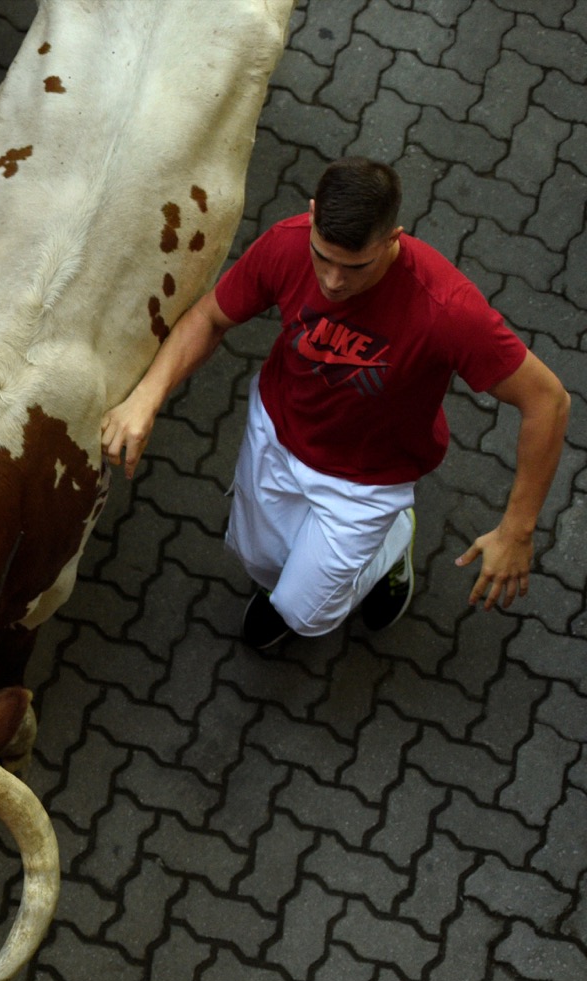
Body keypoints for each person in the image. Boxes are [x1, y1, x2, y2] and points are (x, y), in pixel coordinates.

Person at [101, 157, 570, 650]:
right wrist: (147, 395)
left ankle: (391, 541)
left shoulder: (447, 309)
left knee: (306, 614)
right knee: (256, 558)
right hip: (277, 433)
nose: (332, 281)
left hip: (368, 480)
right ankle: (306, 574)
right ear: (311, 216)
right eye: (321, 257)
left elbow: (548, 402)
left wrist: (517, 530)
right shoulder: (286, 242)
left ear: (393, 238)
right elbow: (210, 316)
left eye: (355, 266)